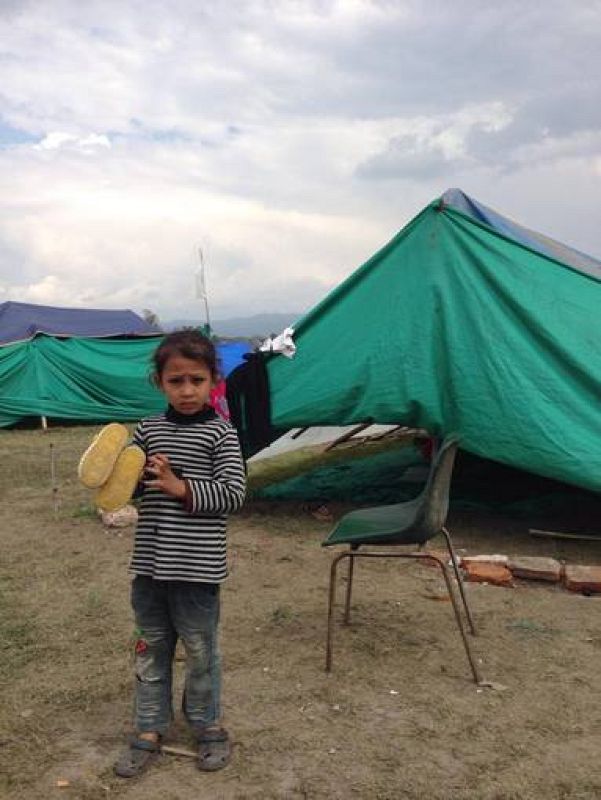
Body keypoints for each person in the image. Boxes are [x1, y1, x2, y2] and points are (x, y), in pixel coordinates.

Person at [113, 329, 246, 778]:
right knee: (150, 649)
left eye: (196, 380)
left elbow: (232, 493)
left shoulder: (221, 433)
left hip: (196, 571)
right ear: (159, 383)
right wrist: (119, 473)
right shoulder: (148, 431)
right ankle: (149, 729)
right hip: (149, 568)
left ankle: (208, 726)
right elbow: (125, 487)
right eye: (176, 381)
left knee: (200, 652)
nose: (187, 390)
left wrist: (179, 486)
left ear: (213, 381)